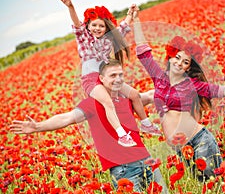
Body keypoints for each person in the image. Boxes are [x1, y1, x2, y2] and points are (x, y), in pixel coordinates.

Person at [132, 9, 225, 181]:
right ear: (170, 56)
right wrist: (136, 20)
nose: (180, 63)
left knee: (214, 185)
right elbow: (144, 53)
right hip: (181, 148)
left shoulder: (193, 85)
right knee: (202, 186)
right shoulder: (158, 78)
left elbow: (224, 91)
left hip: (200, 141)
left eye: (185, 62)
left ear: (189, 67)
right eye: (178, 57)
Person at [10, 59, 168, 193]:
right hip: (124, 169)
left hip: (147, 161)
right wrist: (37, 126)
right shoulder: (92, 104)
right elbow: (67, 118)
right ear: (101, 79)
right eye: (113, 75)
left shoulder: (128, 98)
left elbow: (148, 95)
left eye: (121, 75)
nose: (118, 79)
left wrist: (178, 85)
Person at [58, 0, 161, 147]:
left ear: (106, 28)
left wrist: (129, 15)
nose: (97, 28)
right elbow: (77, 24)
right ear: (88, 25)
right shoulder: (84, 38)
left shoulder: (107, 40)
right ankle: (121, 135)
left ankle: (146, 123)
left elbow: (121, 29)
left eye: (101, 26)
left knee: (134, 94)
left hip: (105, 78)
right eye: (94, 25)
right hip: (91, 80)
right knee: (107, 101)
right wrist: (71, 7)